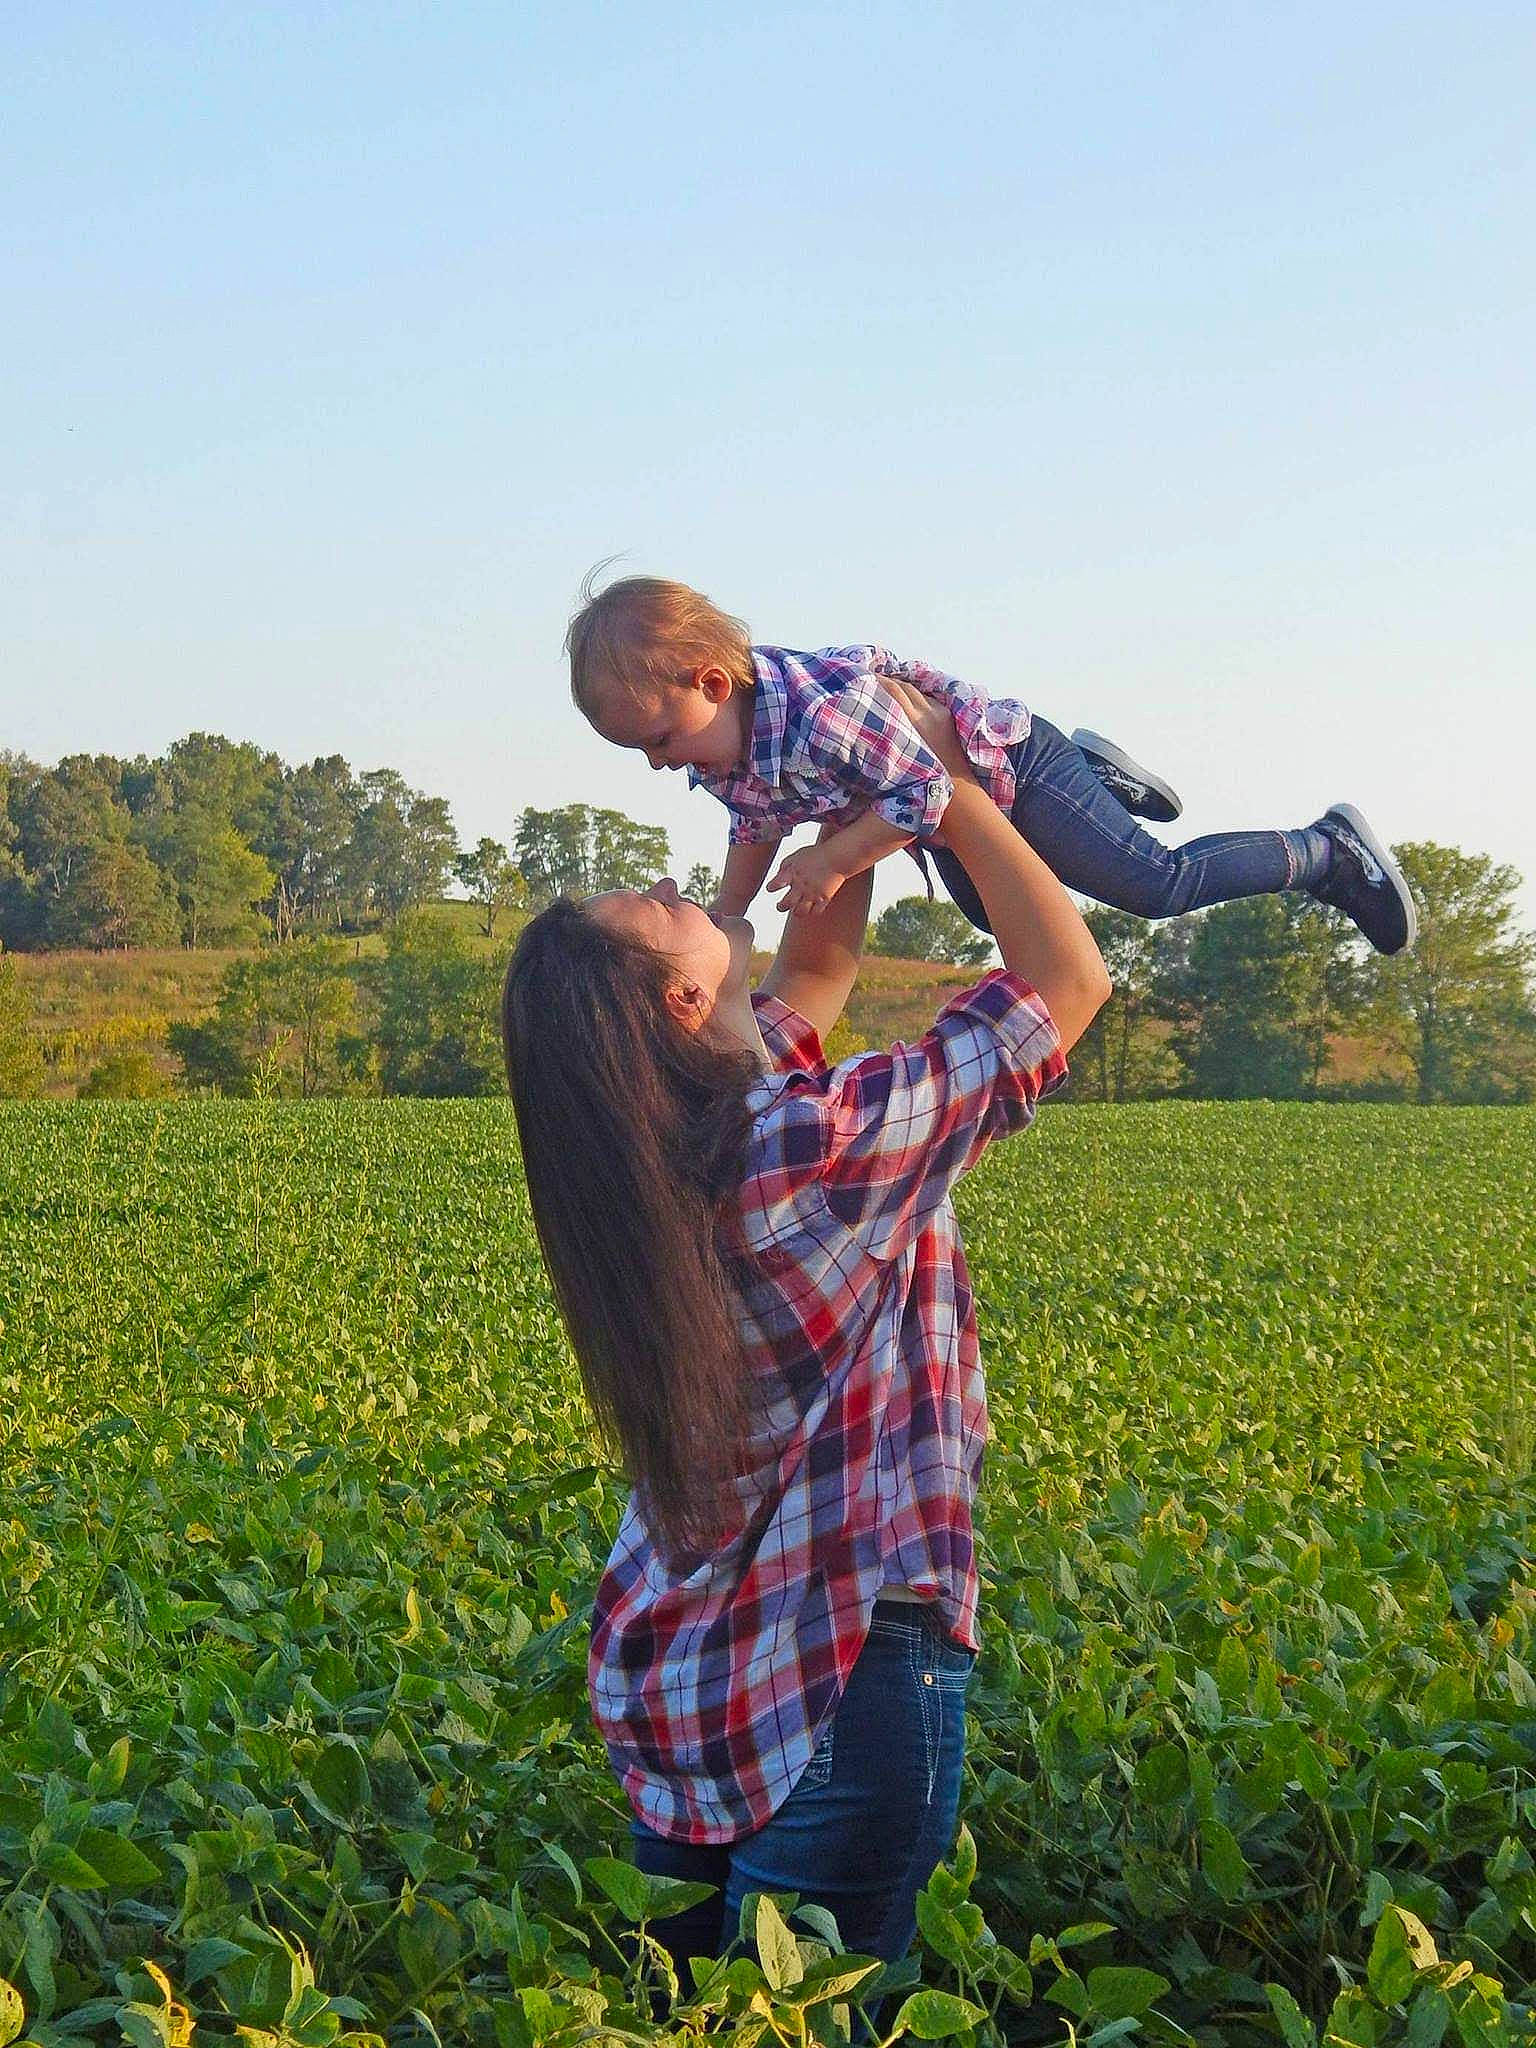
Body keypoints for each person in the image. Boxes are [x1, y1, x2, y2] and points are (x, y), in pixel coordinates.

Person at [500, 683, 1111, 2009]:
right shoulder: (799, 1151)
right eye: (656, 906)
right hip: (841, 1672)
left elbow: (817, 968)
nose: (677, 874)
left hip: (692, 1676)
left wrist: (842, 793)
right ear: (674, 1001)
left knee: (690, 2023)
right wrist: (945, 785)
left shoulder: (676, 1147)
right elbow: (1066, 984)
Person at [567, 573, 1417, 954]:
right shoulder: (727, 748)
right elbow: (754, 824)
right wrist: (725, 915)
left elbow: (927, 790)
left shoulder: (825, 713)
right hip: (948, 808)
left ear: (713, 683)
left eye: (658, 741)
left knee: (1157, 886)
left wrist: (832, 857)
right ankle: (1102, 779)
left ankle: (1322, 851)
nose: (656, 764)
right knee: (993, 919)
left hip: (1007, 765)